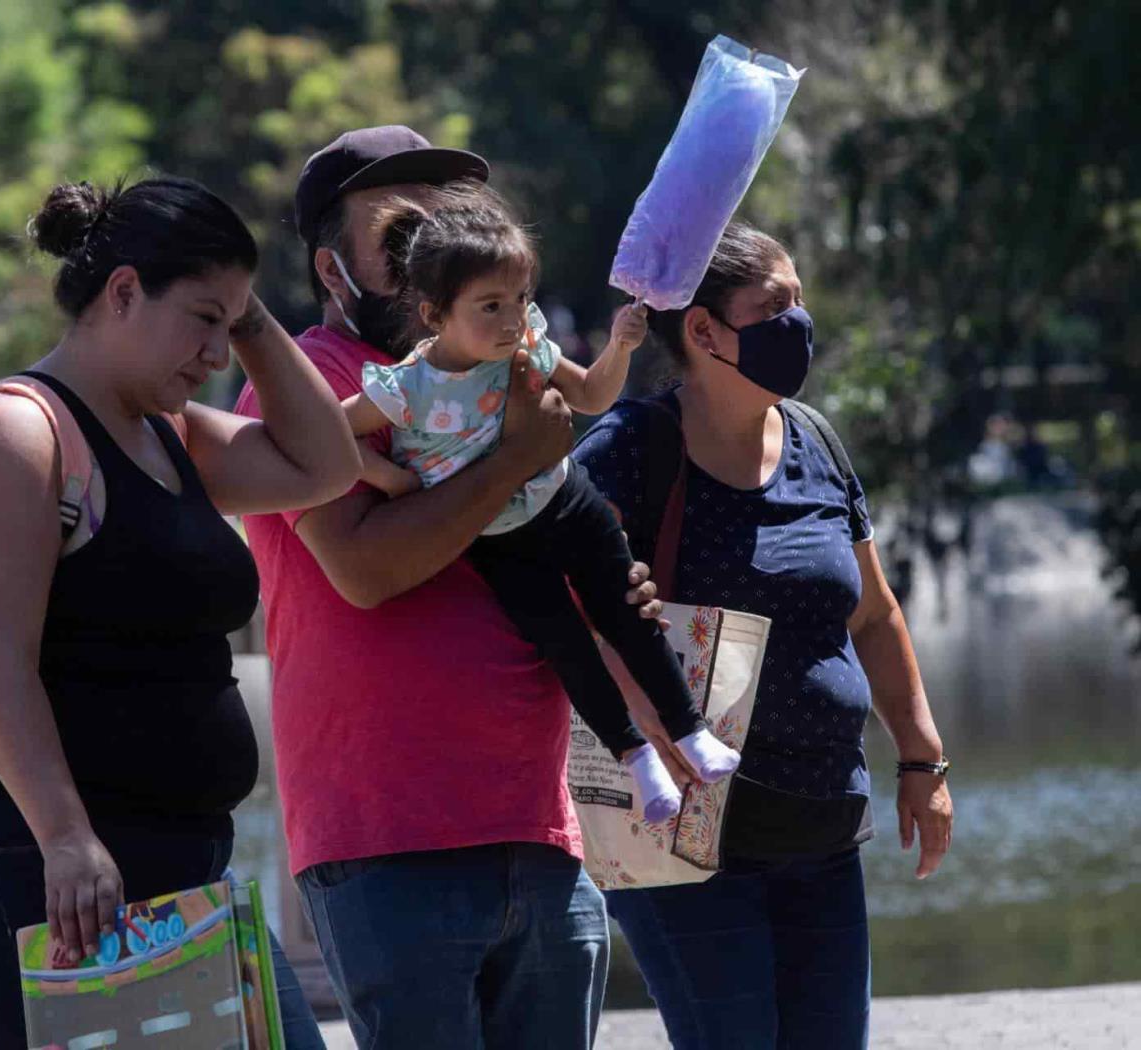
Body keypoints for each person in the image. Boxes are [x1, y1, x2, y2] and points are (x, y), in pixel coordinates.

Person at [234, 125, 664, 1049]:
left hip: (543, 832)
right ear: (332, 266)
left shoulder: (515, 363)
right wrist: (513, 460)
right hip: (386, 846)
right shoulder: (308, 386)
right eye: (400, 228)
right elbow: (367, 569)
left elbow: (538, 532)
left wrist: (613, 585)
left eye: (452, 217)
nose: (434, 239)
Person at [0, 176, 360, 1050]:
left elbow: (323, 466)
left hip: (180, 865)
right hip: (41, 866)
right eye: (202, 320)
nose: (219, 354)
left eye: (231, 327)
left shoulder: (169, 434)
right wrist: (66, 836)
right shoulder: (17, 434)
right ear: (123, 292)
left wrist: (244, 309)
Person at [573, 223, 954, 1049]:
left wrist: (922, 761)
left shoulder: (815, 441)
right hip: (687, 842)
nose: (799, 325)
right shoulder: (631, 450)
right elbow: (574, 616)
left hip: (823, 827)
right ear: (703, 331)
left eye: (801, 303)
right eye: (775, 306)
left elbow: (875, 612)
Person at [344, 186, 739, 822]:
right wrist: (390, 480)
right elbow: (333, 435)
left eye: (520, 299)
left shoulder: (526, 344)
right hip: (497, 538)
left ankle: (691, 730)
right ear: (434, 313)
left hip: (565, 497)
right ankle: (637, 760)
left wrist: (621, 347)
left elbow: (590, 399)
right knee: (567, 647)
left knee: (628, 612)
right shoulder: (409, 385)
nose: (511, 319)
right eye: (490, 305)